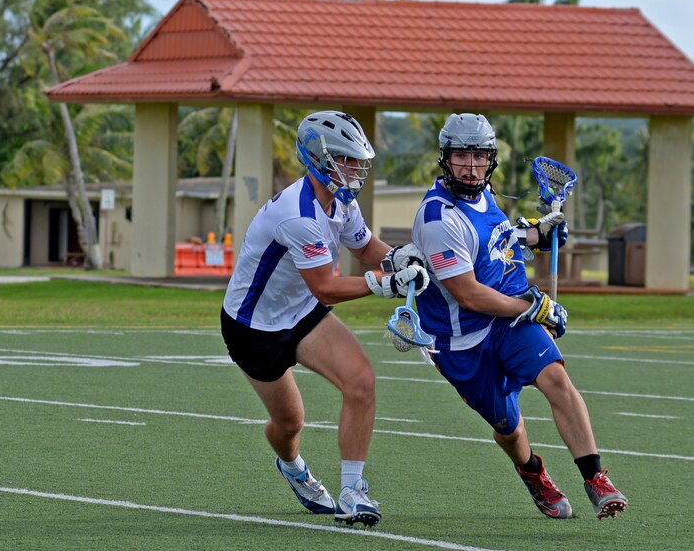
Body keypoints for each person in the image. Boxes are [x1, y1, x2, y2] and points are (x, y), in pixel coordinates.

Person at [407, 113, 627, 520]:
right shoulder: (438, 218)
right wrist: (536, 306)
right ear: (445, 158)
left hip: (508, 319)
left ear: (490, 158)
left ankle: (596, 479)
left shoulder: (485, 194)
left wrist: (536, 234)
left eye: (478, 156)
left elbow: (498, 238)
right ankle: (532, 470)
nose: (470, 166)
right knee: (510, 429)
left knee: (557, 379)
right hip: (463, 341)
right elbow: (469, 294)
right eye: (461, 156)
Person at [220, 110, 428, 527]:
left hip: (301, 313)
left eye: (357, 160)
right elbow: (327, 287)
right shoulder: (299, 214)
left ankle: (352, 491)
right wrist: (382, 283)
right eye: (346, 159)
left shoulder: (340, 200)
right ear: (318, 158)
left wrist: (395, 256)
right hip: (254, 328)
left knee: (361, 380)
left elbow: (365, 246)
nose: (355, 169)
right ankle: (294, 468)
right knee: (289, 423)